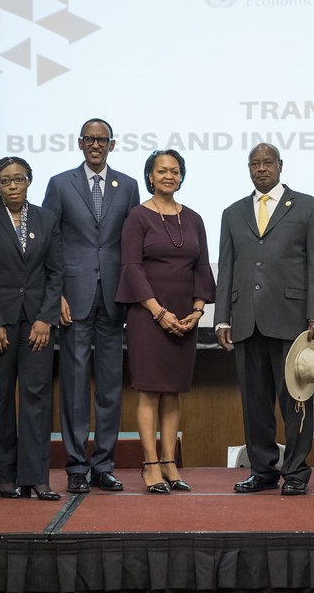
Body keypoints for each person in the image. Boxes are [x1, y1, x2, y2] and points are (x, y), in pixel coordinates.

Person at [214, 143, 314, 496]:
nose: (261, 169)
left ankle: (296, 471)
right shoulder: (232, 213)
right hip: (246, 321)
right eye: (255, 164)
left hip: (294, 322)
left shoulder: (309, 207)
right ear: (248, 169)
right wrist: (221, 319)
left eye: (268, 163)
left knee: (295, 401)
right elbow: (228, 266)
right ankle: (262, 470)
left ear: (281, 165)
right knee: (255, 403)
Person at [43, 118, 139, 494]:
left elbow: (131, 244)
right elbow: (49, 242)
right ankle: (76, 466)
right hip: (73, 298)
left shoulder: (128, 186)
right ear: (80, 144)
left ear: (112, 145)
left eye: (102, 140)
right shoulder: (60, 184)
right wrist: (57, 296)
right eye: (90, 139)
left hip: (114, 298)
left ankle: (103, 464)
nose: (96, 145)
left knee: (111, 386)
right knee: (75, 384)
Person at [116, 150, 215, 494]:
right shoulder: (137, 217)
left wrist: (199, 310)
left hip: (184, 316)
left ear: (181, 177)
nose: (168, 176)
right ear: (150, 177)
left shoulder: (194, 218)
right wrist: (158, 312)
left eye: (174, 171)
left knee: (173, 393)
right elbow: (131, 268)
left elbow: (202, 267)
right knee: (149, 392)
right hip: (147, 316)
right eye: (162, 171)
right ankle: (150, 465)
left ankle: (171, 463)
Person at [0, 157, 63, 500]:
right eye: (5, 181)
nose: (13, 185)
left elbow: (56, 273)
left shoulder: (46, 219)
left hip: (37, 323)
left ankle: (36, 478)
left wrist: (45, 318)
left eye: (19, 179)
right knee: (2, 397)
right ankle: (6, 477)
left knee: (36, 398)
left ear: (29, 181)